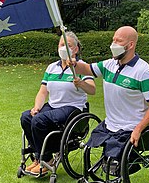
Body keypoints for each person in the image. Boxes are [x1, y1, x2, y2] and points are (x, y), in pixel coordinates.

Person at [68, 26, 149, 162]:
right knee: (90, 147)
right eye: (113, 40)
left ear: (130, 45)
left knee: (113, 163)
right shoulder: (109, 64)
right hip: (110, 124)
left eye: (118, 41)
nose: (113, 45)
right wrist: (74, 64)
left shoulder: (145, 72)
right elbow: (88, 69)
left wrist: (138, 129)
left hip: (130, 127)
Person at [20, 31, 96, 174]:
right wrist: (37, 107)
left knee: (39, 120)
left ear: (76, 49)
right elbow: (43, 91)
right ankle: (38, 157)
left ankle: (46, 159)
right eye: (62, 44)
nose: (64, 48)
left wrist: (81, 84)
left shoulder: (81, 67)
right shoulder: (51, 67)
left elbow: (92, 90)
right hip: (53, 105)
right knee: (26, 117)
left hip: (72, 108)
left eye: (69, 45)